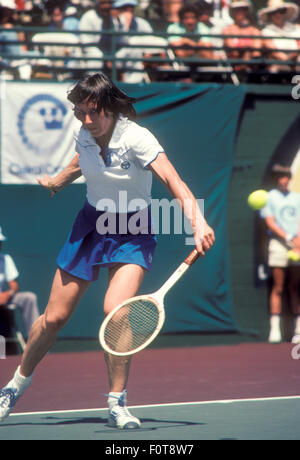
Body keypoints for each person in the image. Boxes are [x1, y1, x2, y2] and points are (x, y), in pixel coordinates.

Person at [0, 73, 215, 427]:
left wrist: (198, 222)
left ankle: (117, 402)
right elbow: (80, 161)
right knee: (54, 318)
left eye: (93, 112)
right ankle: (15, 385)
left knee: (116, 312)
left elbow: (174, 180)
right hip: (91, 224)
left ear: (111, 109)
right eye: (80, 112)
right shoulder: (83, 133)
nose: (86, 120)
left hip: (133, 230)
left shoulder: (137, 138)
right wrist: (57, 181)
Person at [260, 164, 300, 344]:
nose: (284, 179)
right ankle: (274, 330)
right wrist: (289, 237)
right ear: (277, 178)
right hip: (278, 245)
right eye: (281, 176)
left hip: (297, 246)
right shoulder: (269, 197)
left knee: (296, 287)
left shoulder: (297, 198)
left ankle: (298, 330)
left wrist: (297, 241)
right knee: (278, 286)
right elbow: (270, 223)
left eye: (287, 176)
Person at [0, 226, 40, 338]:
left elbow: (14, 285)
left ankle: (36, 341)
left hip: (4, 299)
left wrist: (8, 294)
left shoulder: (5, 259)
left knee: (29, 297)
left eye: (0, 242)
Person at [79, 0, 125, 72]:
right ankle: (94, 82)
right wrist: (105, 58)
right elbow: (87, 44)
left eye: (109, 3)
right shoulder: (88, 17)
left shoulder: (115, 18)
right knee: (96, 57)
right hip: (94, 53)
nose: (107, 6)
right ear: (97, 4)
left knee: (127, 53)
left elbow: (121, 40)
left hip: (111, 52)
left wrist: (119, 20)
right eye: (103, 3)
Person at [258, 0, 300, 73]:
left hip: (296, 60)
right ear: (270, 15)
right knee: (279, 67)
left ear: (285, 13)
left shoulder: (295, 28)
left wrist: (292, 57)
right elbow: (273, 51)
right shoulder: (266, 31)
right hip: (278, 63)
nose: (278, 15)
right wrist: (287, 60)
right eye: (274, 12)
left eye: (281, 11)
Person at [223, 0, 262, 73]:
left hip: (252, 66)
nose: (240, 12)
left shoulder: (254, 30)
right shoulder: (227, 30)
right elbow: (232, 49)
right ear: (233, 12)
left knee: (249, 53)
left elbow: (256, 52)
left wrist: (246, 49)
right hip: (234, 64)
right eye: (237, 9)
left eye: (243, 9)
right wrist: (247, 47)